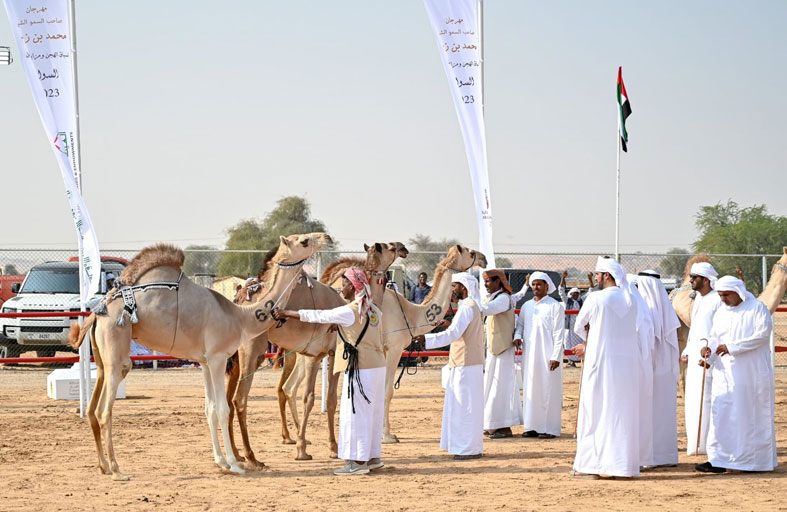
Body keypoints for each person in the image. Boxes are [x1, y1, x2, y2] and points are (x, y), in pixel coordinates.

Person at [272, 267, 386, 476]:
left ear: (352, 286)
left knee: (355, 415)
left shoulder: (349, 310)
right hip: (378, 367)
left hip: (360, 369)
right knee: (373, 414)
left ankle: (357, 464)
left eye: (344, 284)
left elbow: (319, 315)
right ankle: (372, 457)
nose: (341, 289)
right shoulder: (373, 310)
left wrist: (286, 313)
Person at [695, 276, 776, 474]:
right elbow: (715, 338)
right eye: (720, 295)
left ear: (738, 292)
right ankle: (719, 460)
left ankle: (752, 462)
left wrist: (732, 347)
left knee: (748, 416)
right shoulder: (721, 312)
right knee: (722, 415)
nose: (722, 299)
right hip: (725, 376)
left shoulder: (757, 308)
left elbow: (762, 335)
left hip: (751, 374)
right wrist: (708, 355)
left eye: (726, 295)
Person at [571, 257, 641, 479]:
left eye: (598, 275)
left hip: (600, 362)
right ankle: (621, 466)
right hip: (627, 365)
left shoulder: (597, 298)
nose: (596, 279)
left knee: (595, 410)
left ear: (607, 276)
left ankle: (592, 466)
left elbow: (579, 326)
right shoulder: (632, 299)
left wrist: (589, 343)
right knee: (621, 412)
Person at [411, 272, 484, 460]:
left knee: (464, 407)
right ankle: (465, 446)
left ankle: (466, 449)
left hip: (465, 365)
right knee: (464, 406)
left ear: (464, 288)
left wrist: (426, 339)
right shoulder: (468, 306)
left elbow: (453, 334)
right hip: (465, 363)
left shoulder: (467, 307)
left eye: (455, 286)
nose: (453, 290)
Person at [637, 270, 681, 468]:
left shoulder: (643, 308)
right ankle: (666, 456)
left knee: (647, 413)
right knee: (663, 414)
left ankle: (650, 457)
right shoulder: (666, 309)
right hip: (665, 370)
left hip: (649, 369)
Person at [514, 271, 564, 439]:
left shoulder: (554, 305)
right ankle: (532, 426)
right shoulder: (527, 306)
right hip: (530, 355)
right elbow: (520, 326)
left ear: (546, 286)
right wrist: (516, 337)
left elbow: (559, 334)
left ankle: (549, 428)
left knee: (548, 389)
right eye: (533, 284)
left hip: (549, 355)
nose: (535, 287)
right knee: (531, 388)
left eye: (539, 284)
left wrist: (556, 356)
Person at [475, 269, 522, 439]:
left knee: (501, 387)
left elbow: (487, 310)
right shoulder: (493, 297)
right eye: (484, 282)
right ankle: (491, 424)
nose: (486, 285)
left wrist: (472, 295)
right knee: (491, 386)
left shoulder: (503, 298)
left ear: (498, 282)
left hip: (503, 349)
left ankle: (504, 426)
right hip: (493, 349)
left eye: (488, 282)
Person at [681, 262, 721, 455]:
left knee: (706, 399)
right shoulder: (699, 298)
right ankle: (695, 443)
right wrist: (688, 349)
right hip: (695, 354)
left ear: (705, 280)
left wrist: (709, 353)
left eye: (694, 277)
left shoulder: (717, 299)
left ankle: (705, 443)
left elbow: (717, 330)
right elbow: (696, 329)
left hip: (708, 356)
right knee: (693, 399)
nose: (691, 280)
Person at [558, 271, 583, 366]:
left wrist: (589, 280)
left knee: (580, 342)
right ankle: (571, 361)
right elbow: (561, 292)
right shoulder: (567, 301)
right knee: (568, 342)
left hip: (579, 327)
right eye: (573, 294)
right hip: (569, 327)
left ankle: (579, 359)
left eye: (577, 294)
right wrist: (563, 278)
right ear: (571, 294)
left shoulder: (581, 301)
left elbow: (590, 291)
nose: (575, 295)